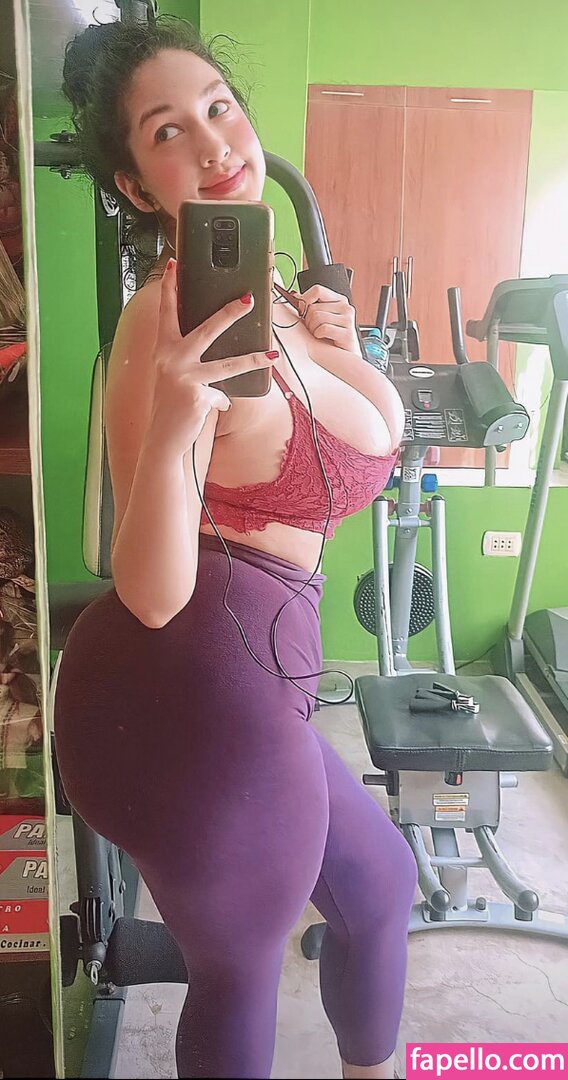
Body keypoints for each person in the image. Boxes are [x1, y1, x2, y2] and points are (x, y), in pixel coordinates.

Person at [53, 16, 417, 1080]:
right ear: (135, 186)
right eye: (169, 131)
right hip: (188, 687)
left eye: (220, 108)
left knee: (380, 890)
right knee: (242, 967)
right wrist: (174, 426)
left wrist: (343, 350)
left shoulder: (288, 304)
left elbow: (375, 430)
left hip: (265, 676)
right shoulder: (161, 326)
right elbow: (150, 592)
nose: (215, 144)